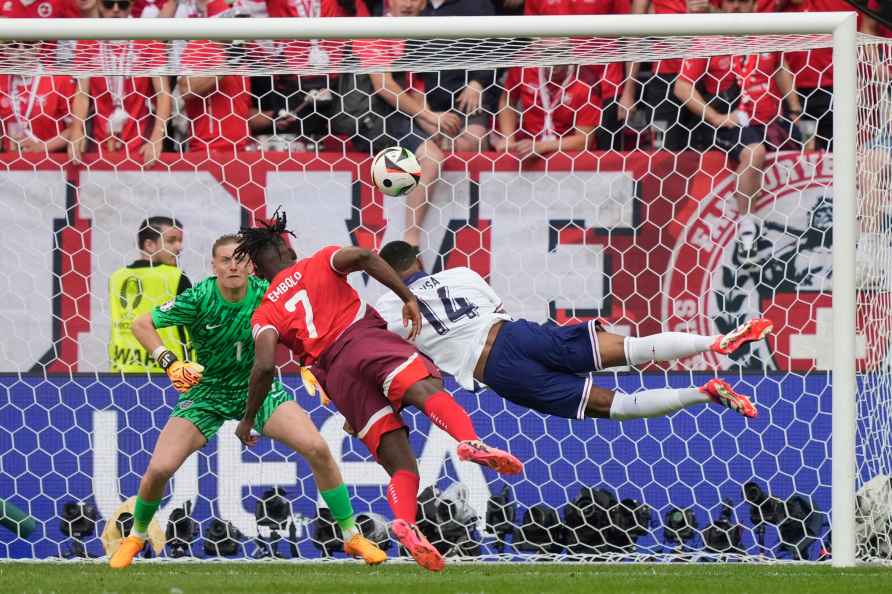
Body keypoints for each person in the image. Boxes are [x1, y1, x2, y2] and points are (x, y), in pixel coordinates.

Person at [234, 210, 522, 572]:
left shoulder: (264, 312)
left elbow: (262, 366)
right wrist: (407, 296)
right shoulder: (321, 260)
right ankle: (469, 441)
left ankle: (405, 522)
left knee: (401, 465)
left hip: (338, 378)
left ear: (258, 272)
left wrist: (247, 421)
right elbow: (366, 257)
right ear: (289, 250)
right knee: (426, 388)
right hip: (364, 339)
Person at [109, 234, 387, 568]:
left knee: (316, 448)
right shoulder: (199, 297)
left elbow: (304, 329)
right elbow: (142, 324)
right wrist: (170, 361)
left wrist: (312, 366)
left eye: (239, 259)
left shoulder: (267, 295)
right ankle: (137, 535)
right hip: (207, 393)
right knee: (159, 468)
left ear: (250, 265)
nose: (232, 266)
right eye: (225, 260)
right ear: (213, 266)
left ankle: (352, 536)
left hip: (261, 390)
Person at [376, 241, 770, 422]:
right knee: (632, 348)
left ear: (388, 273)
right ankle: (717, 341)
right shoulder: (461, 274)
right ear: (421, 260)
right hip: (516, 334)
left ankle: (702, 394)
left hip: (495, 368)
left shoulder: (389, 307)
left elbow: (382, 354)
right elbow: (498, 310)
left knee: (611, 405)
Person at [674, 0, 802, 265]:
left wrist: (795, 109)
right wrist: (716, 117)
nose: (735, 8)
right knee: (754, 152)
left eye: (741, 1)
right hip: (732, 124)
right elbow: (682, 87)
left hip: (770, 123)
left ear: (754, 4)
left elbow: (780, 68)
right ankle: (747, 231)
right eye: (729, 2)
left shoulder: (766, 34)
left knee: (802, 155)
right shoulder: (710, 39)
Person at [353, 0, 449, 247]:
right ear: (389, 2)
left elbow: (415, 92)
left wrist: (435, 126)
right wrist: (429, 117)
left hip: (398, 117)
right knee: (432, 158)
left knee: (456, 144)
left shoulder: (416, 38)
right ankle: (411, 242)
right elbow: (384, 86)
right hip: (373, 119)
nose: (407, 3)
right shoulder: (373, 31)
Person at [68, 0, 171, 165]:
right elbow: (82, 94)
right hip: (99, 140)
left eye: (122, 4)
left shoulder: (148, 37)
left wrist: (157, 138)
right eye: (109, 4)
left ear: (131, 6)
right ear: (99, 5)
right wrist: (76, 130)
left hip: (141, 142)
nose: (115, 10)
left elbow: (163, 94)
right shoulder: (87, 39)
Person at [109, 217, 191, 372]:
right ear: (149, 245)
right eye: (171, 241)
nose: (179, 247)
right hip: (168, 371)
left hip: (122, 369)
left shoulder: (116, 277)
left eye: (180, 241)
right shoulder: (175, 276)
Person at [492, 64, 599, 159]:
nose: (554, 62)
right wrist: (508, 138)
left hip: (570, 156)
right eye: (549, 53)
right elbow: (507, 100)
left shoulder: (587, 82)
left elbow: (583, 141)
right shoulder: (524, 68)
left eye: (559, 54)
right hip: (528, 149)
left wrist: (542, 146)